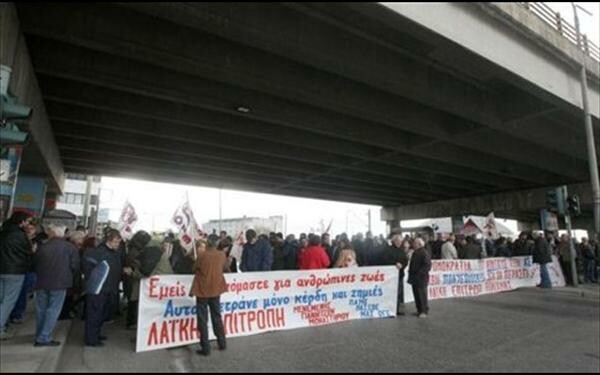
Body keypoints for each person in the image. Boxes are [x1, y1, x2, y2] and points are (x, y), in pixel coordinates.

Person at [32, 224, 80, 346]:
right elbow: (75, 267)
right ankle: (44, 337)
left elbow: (34, 264)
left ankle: (39, 334)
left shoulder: (43, 246)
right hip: (60, 283)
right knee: (53, 310)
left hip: (41, 282)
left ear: (52, 233)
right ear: (62, 234)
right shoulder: (70, 248)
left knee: (41, 309)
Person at [81, 229, 123, 347]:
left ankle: (96, 334)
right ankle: (91, 339)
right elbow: (88, 269)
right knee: (95, 314)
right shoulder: (98, 252)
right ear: (108, 241)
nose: (117, 245)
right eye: (115, 242)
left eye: (118, 242)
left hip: (108, 288)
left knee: (101, 314)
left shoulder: (113, 252)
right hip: (98, 288)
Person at [189, 234, 228, 356]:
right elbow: (226, 268)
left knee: (202, 319)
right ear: (217, 244)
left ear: (208, 243)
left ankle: (205, 348)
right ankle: (222, 343)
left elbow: (194, 268)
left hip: (202, 290)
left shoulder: (202, 255)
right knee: (217, 316)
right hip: (216, 289)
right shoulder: (221, 255)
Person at [0, 212, 33, 340]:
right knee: (8, 301)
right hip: (15, 272)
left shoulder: (3, 232)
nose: (29, 224)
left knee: (2, 299)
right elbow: (28, 253)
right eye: (28, 221)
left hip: (1, 269)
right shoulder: (20, 236)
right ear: (22, 221)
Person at [383, 235, 409, 315]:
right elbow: (385, 260)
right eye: (397, 241)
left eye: (400, 241)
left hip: (400, 274)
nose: (399, 243)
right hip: (390, 276)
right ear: (394, 241)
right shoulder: (388, 249)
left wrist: (402, 265)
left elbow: (405, 261)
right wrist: (395, 263)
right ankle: (390, 309)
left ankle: (397, 310)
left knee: (399, 293)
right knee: (391, 293)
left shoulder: (402, 250)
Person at [407, 238, 431, 318]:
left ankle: (424, 311)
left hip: (421, 278)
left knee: (422, 295)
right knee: (417, 295)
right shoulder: (415, 252)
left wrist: (419, 273)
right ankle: (419, 310)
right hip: (415, 278)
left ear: (419, 244)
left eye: (415, 243)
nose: (413, 244)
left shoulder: (424, 252)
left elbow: (427, 265)